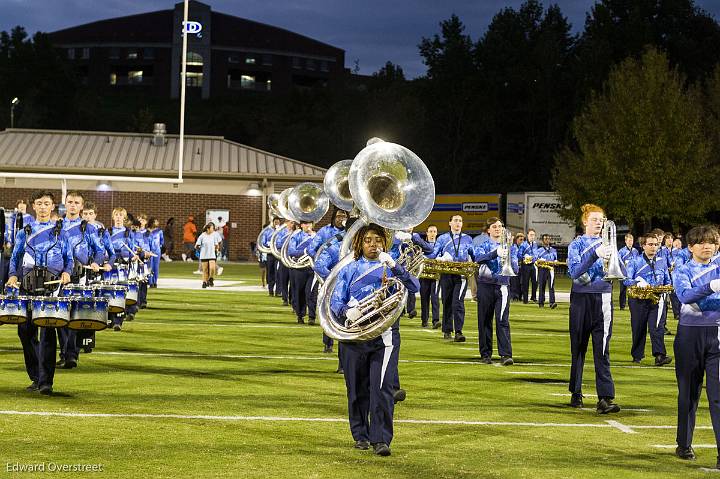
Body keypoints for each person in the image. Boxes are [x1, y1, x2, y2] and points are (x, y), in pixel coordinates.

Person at [330, 223, 419, 457]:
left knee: (382, 389)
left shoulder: (391, 266)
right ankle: (360, 435)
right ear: (360, 243)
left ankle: (381, 439)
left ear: (385, 243)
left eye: (378, 240)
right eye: (368, 240)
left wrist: (395, 266)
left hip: (384, 337)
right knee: (357, 390)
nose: (373, 244)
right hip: (354, 337)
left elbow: (414, 286)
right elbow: (335, 300)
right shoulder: (349, 269)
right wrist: (345, 311)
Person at [5, 190, 73, 395]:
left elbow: (69, 258)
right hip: (27, 285)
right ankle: (35, 375)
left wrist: (68, 273)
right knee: (24, 332)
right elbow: (15, 258)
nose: (43, 207)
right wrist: (12, 275)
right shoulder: (24, 231)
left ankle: (46, 382)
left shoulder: (61, 232)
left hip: (51, 286)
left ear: (52, 207)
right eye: (39, 203)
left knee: (48, 333)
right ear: (33, 206)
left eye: (46, 204)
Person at [566, 204, 622, 413]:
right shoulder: (576, 245)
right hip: (581, 300)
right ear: (585, 222)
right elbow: (574, 272)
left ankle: (605, 397)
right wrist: (594, 255)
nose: (599, 223)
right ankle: (576, 391)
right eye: (595, 220)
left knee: (602, 350)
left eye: (602, 220)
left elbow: (620, 271)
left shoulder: (608, 243)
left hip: (604, 300)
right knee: (578, 348)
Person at [672, 225, 720, 466]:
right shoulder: (682, 270)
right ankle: (684, 443)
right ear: (690, 247)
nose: (707, 246)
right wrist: (710, 287)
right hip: (689, 336)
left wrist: (704, 296)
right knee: (689, 393)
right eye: (701, 242)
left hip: (718, 334)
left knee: (718, 396)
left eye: (711, 242)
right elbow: (685, 296)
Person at [57, 191, 106, 369]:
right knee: (59, 317)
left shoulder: (89, 228)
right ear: (65, 204)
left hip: (80, 276)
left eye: (76, 203)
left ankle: (72, 354)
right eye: (70, 202)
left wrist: (95, 262)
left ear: (81, 207)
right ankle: (65, 352)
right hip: (59, 277)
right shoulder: (57, 226)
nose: (73, 205)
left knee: (75, 316)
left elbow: (99, 250)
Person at [473, 217, 518, 365]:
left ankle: (506, 354)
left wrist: (509, 258)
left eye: (500, 226)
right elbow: (478, 258)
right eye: (494, 226)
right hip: (485, 285)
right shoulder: (483, 244)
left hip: (503, 286)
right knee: (484, 320)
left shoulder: (511, 247)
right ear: (488, 230)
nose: (498, 228)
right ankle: (485, 354)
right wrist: (495, 253)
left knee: (502, 320)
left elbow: (516, 269)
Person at [623, 233, 672, 366]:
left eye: (656, 244)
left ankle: (660, 355)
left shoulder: (662, 261)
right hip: (638, 299)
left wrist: (667, 287)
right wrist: (637, 283)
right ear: (643, 245)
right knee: (638, 327)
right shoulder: (634, 261)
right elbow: (626, 280)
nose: (654, 247)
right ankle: (637, 355)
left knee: (657, 327)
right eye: (650, 244)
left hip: (657, 298)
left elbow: (667, 279)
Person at [430, 214, 474, 341]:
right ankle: (447, 330)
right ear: (450, 223)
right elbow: (434, 254)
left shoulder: (468, 239)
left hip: (461, 276)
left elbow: (474, 255)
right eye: (455, 220)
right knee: (447, 302)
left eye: (460, 221)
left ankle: (459, 331)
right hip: (446, 274)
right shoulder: (443, 238)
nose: (458, 223)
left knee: (458, 303)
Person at [109, 208, 139, 329]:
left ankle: (118, 321)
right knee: (110, 292)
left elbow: (132, 249)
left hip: (123, 266)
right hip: (110, 266)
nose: (118, 217)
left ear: (124, 217)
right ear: (113, 217)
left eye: (121, 215)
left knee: (120, 293)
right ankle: (110, 319)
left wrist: (134, 256)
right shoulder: (108, 231)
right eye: (116, 215)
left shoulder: (128, 233)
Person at [288, 220, 316, 324]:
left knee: (311, 293)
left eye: (309, 223)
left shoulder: (317, 237)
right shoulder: (296, 236)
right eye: (305, 223)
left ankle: (312, 317)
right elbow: (291, 252)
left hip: (312, 268)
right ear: (301, 225)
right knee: (299, 293)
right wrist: (306, 251)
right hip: (299, 268)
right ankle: (300, 315)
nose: (308, 225)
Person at [418, 225, 440, 328]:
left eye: (434, 231)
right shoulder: (422, 245)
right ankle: (424, 320)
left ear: (436, 233)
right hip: (424, 275)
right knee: (424, 298)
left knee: (435, 299)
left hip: (436, 275)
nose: (432, 233)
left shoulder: (439, 245)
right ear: (426, 233)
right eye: (430, 231)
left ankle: (436, 320)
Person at [535, 234, 558, 309]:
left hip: (551, 269)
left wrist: (555, 261)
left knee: (551, 286)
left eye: (548, 239)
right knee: (542, 286)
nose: (547, 240)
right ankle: (541, 303)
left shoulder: (553, 250)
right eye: (545, 239)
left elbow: (555, 259)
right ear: (542, 240)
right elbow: (536, 261)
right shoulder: (539, 250)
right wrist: (540, 261)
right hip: (542, 269)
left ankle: (552, 302)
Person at [260, 217, 282, 296]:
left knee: (278, 272)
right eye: (275, 222)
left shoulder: (281, 231)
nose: (276, 224)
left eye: (278, 222)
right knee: (270, 272)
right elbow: (263, 242)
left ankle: (278, 291)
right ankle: (270, 290)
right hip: (270, 254)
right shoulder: (267, 231)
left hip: (278, 254)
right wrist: (270, 244)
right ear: (272, 222)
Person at [195, 222, 220, 288]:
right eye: (212, 228)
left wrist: (217, 249)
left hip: (212, 255)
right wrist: (199, 248)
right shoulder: (202, 236)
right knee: (205, 270)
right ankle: (204, 282)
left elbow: (217, 245)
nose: (213, 229)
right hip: (204, 255)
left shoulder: (213, 235)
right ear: (208, 229)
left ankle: (211, 278)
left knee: (212, 268)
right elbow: (196, 246)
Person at [618, 233, 638, 310]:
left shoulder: (635, 251)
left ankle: (632, 305)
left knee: (632, 290)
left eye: (631, 240)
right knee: (623, 290)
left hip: (633, 274)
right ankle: (622, 306)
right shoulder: (621, 251)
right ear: (625, 241)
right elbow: (619, 262)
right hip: (624, 274)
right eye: (629, 240)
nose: (630, 242)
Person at [519, 229, 538, 303]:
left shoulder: (535, 244)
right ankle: (525, 299)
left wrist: (534, 259)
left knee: (535, 282)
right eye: (531, 235)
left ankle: (533, 297)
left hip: (533, 265)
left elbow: (536, 254)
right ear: (527, 235)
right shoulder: (523, 244)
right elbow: (519, 254)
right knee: (525, 282)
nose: (532, 236)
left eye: (533, 235)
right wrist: (524, 259)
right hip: (525, 265)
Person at [148, 217, 164, 288]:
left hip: (157, 251)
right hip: (149, 251)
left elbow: (161, 241)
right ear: (151, 222)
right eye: (155, 221)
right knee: (150, 266)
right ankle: (150, 281)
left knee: (156, 267)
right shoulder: (147, 231)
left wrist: (159, 247)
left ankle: (155, 281)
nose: (157, 223)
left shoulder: (159, 231)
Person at [509, 232, 525, 301]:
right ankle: (514, 296)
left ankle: (520, 296)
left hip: (522, 266)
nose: (522, 241)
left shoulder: (523, 247)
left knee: (521, 282)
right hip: (514, 267)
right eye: (520, 239)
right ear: (517, 239)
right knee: (514, 282)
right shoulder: (513, 247)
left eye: (523, 240)